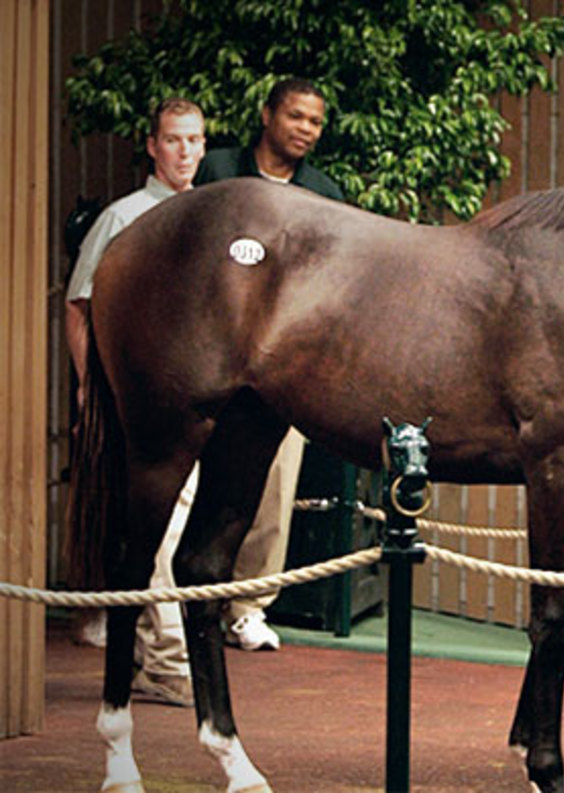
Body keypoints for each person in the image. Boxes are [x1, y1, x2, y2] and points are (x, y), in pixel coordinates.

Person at [65, 97, 207, 707]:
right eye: (173, 140)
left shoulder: (214, 212)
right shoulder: (123, 217)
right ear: (152, 146)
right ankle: (168, 659)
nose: (184, 151)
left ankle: (161, 653)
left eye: (194, 140)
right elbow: (79, 304)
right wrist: (89, 385)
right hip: (144, 393)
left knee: (189, 520)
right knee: (165, 521)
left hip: (205, 395)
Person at [194, 76, 344, 651]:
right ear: (267, 115)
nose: (306, 129)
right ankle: (173, 602)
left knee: (275, 486)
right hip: (208, 353)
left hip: (283, 367)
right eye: (297, 117)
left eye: (315, 122)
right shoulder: (219, 171)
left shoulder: (324, 192)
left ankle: (249, 606)